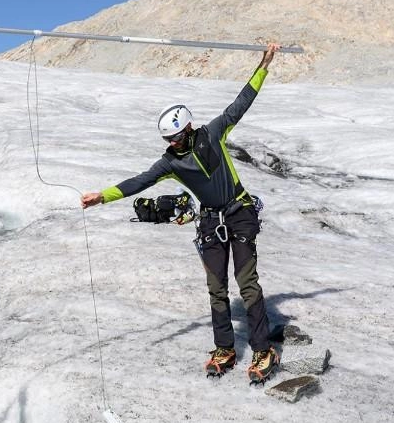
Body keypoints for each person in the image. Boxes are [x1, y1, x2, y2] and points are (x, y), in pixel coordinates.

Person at [80, 44, 282, 384]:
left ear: (187, 128)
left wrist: (263, 65)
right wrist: (103, 196)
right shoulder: (170, 163)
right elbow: (139, 181)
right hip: (210, 223)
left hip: (240, 213)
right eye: (168, 139)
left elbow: (241, 103)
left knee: (247, 284)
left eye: (175, 137)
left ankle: (263, 350)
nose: (172, 143)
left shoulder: (214, 133)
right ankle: (225, 348)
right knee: (216, 287)